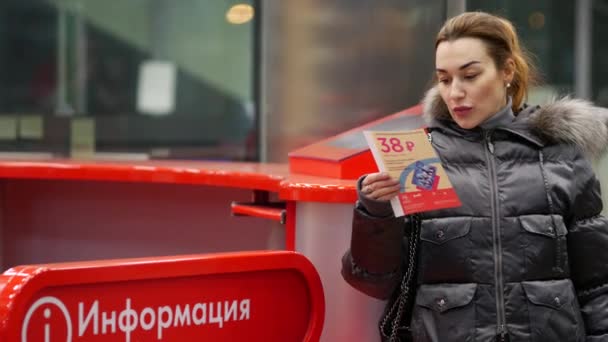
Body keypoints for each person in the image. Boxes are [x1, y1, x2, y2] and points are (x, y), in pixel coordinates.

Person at [341, 11, 608, 342]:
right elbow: (374, 281)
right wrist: (375, 213)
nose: (455, 93)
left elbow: (597, 285)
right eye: (444, 79)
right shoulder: (420, 158)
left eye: (469, 76)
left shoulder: (560, 157)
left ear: (507, 70)